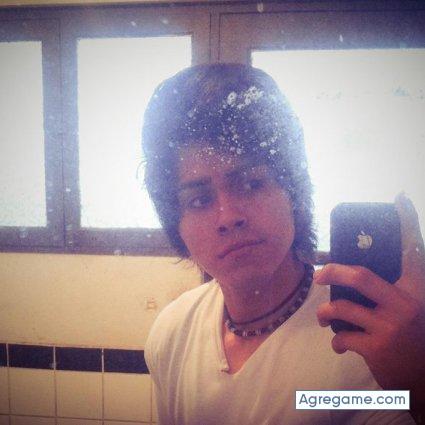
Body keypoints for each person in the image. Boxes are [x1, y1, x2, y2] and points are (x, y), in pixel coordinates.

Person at [142, 63, 425, 424]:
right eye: (199, 200)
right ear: (176, 225)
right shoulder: (172, 331)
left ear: (293, 192)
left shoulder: (373, 343)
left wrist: (419, 383)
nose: (229, 216)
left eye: (251, 183)